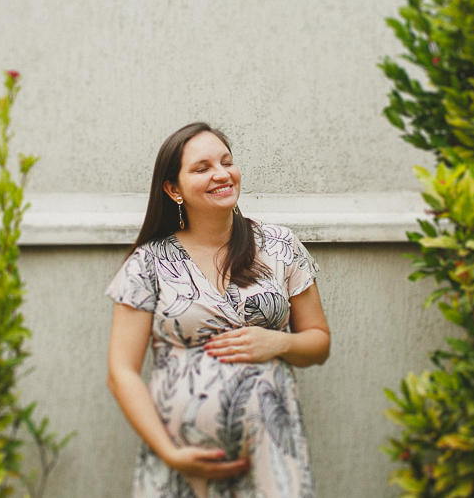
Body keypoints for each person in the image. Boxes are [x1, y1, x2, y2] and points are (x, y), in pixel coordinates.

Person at [106, 122, 331, 498]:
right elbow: (121, 372)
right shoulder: (149, 263)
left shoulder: (279, 246)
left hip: (270, 458)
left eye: (227, 162)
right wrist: (170, 453)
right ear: (173, 189)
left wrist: (276, 343)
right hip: (181, 462)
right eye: (203, 167)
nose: (222, 174)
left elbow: (319, 342)